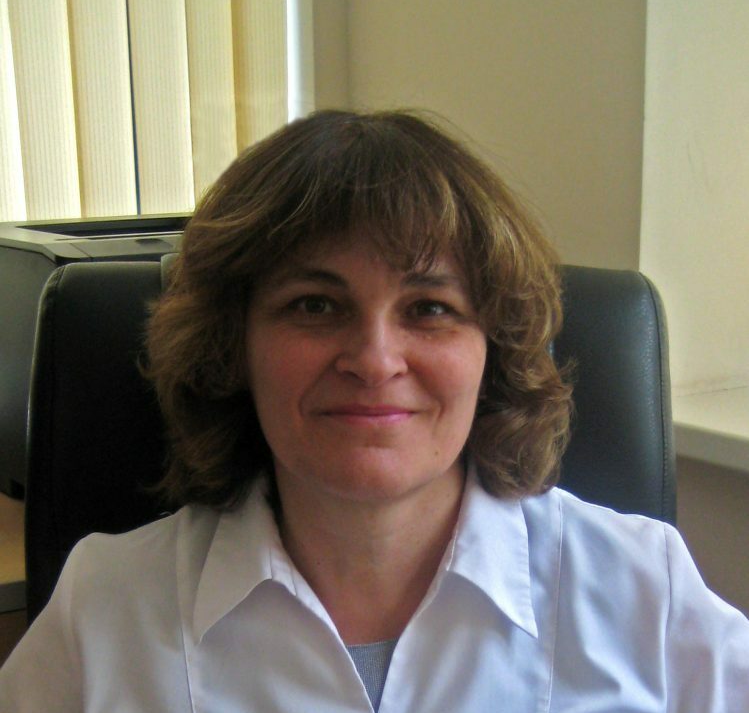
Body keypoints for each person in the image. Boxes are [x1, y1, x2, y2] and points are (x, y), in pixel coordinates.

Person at [1, 110, 747, 712]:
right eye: (314, 305)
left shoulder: (641, 590)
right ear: (235, 344)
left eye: (429, 308)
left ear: (494, 349)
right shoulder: (108, 606)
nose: (374, 359)